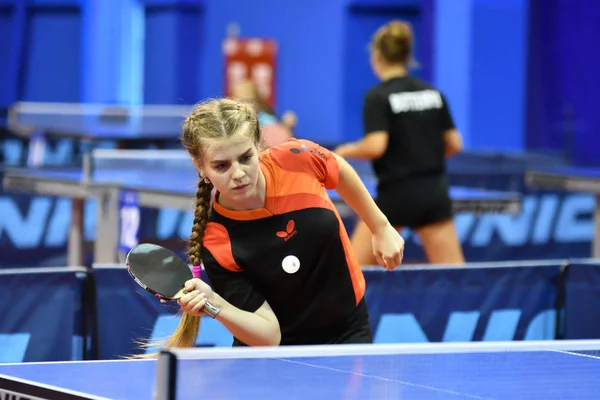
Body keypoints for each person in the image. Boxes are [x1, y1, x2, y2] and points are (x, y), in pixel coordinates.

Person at [149, 97, 404, 350]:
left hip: (347, 329)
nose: (238, 174)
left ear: (258, 145)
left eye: (246, 157)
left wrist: (380, 226)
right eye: (222, 166)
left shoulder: (297, 159)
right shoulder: (217, 239)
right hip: (278, 353)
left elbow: (337, 168)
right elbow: (269, 337)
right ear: (201, 166)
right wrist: (216, 303)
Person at [334, 20, 465, 265]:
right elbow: (455, 144)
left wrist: (344, 151)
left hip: (395, 195)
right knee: (455, 276)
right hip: (433, 193)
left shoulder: (377, 96)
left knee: (352, 273)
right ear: (407, 56)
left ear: (378, 56)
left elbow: (376, 145)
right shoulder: (433, 94)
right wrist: (424, 154)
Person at [231, 79, 296, 147]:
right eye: (240, 101)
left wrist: (287, 127)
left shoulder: (268, 121)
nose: (245, 105)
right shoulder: (229, 122)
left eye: (249, 100)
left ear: (258, 102)